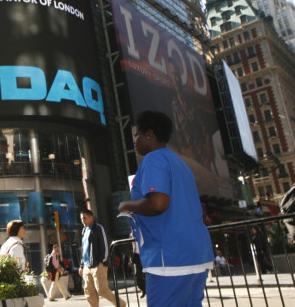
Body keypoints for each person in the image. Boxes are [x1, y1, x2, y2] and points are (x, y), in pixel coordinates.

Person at [118, 111, 214, 307]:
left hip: (169, 259)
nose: (134, 141)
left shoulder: (153, 160)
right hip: (197, 255)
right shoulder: (181, 163)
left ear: (150, 134)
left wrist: (127, 205)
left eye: (137, 135)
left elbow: (158, 204)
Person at [78, 210, 125, 307]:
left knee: (102, 290)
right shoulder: (84, 231)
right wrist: (81, 265)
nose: (83, 220)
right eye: (81, 218)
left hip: (98, 264)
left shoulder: (98, 228)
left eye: (85, 218)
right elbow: (84, 250)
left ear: (92, 217)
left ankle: (120, 304)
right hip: (87, 266)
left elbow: (105, 245)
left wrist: (102, 261)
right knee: (89, 293)